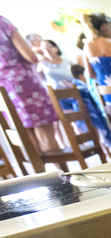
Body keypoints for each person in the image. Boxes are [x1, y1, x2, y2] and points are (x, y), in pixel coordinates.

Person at [0, 16, 61, 153]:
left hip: (3, 91)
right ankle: (59, 166)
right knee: (44, 131)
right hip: (22, 82)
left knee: (25, 134)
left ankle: (37, 166)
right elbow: (31, 57)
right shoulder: (2, 22)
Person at [69, 64, 111, 151]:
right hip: (90, 115)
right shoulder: (82, 87)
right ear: (81, 75)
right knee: (99, 131)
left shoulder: (74, 86)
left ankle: (107, 151)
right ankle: (106, 151)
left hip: (82, 118)